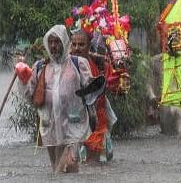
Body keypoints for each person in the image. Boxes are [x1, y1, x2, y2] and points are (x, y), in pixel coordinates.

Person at [15, 25, 93, 173]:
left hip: (73, 124)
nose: (53, 45)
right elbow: (29, 95)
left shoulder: (78, 64)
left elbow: (91, 89)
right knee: (56, 167)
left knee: (67, 165)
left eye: (57, 41)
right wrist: (22, 77)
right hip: (49, 125)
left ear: (64, 41)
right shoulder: (40, 66)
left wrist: (95, 84)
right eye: (50, 42)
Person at [70, 30, 117, 163]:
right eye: (74, 44)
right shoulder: (66, 63)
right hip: (71, 121)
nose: (77, 48)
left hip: (94, 121)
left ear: (89, 46)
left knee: (92, 165)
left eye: (81, 44)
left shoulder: (98, 65)